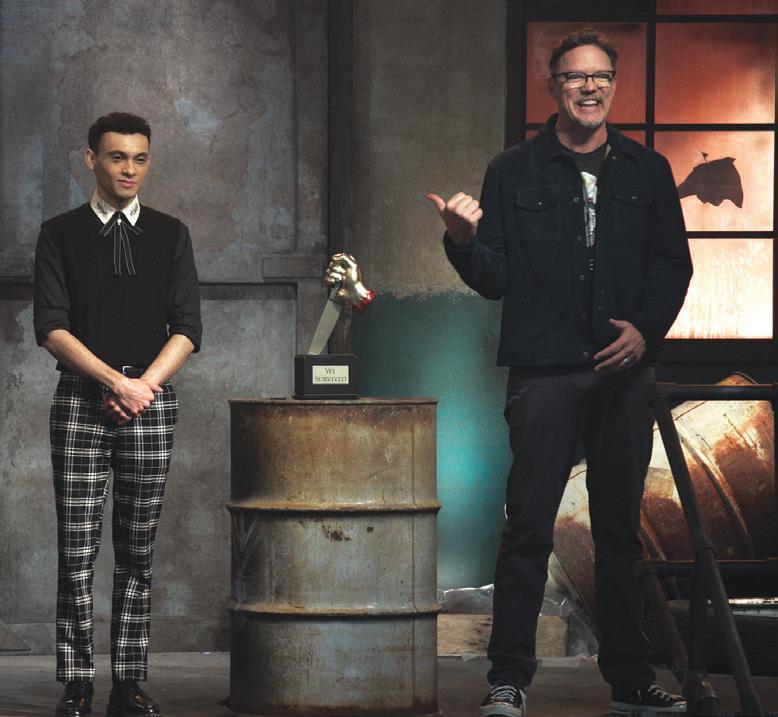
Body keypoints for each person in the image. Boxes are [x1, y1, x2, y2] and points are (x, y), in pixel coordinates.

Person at [428, 28, 692, 717]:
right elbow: (494, 277)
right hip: (544, 372)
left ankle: (630, 681)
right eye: (575, 76)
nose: (589, 87)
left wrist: (644, 331)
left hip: (623, 373)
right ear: (554, 86)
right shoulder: (513, 170)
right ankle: (508, 680)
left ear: (614, 85)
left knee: (619, 533)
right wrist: (461, 242)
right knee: (528, 529)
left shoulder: (647, 170)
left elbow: (673, 263)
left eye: (601, 76)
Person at [33, 112, 202, 717]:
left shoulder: (171, 233)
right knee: (76, 551)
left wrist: (142, 388)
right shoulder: (59, 233)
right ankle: (77, 683)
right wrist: (113, 381)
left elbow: (188, 328)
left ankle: (128, 683)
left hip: (149, 406)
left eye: (139, 158)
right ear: (91, 160)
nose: (129, 169)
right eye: (116, 157)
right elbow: (51, 328)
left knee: (137, 551)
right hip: (81, 402)